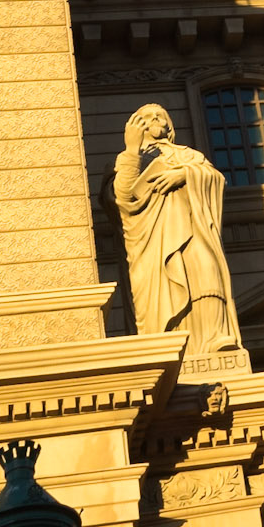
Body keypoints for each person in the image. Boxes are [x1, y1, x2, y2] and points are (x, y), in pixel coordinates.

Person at [109, 105, 242, 354]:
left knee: (205, 269)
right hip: (153, 241)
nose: (156, 119)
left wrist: (186, 175)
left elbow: (216, 179)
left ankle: (213, 338)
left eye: (161, 115)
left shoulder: (189, 156)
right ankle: (172, 344)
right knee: (166, 288)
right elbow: (123, 200)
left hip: (194, 229)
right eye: (147, 117)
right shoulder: (126, 159)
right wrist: (131, 149)